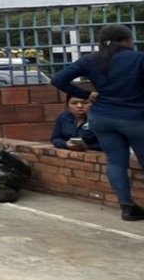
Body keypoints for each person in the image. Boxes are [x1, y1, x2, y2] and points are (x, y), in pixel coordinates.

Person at [52, 24, 144, 221]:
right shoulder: (139, 59)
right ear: (128, 40)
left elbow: (58, 79)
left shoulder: (91, 60)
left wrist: (86, 95)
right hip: (135, 118)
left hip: (102, 118)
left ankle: (127, 207)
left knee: (117, 162)